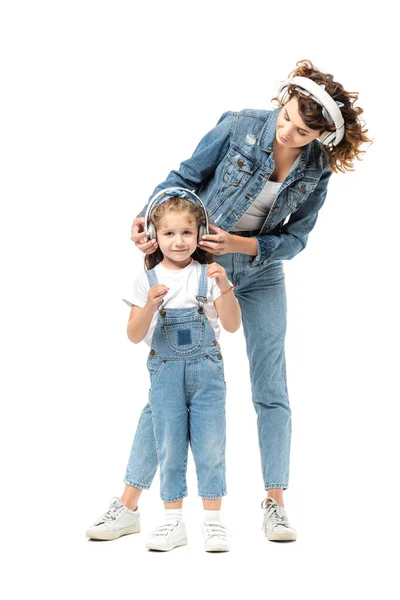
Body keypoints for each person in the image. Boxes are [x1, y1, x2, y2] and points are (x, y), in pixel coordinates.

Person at [87, 59, 370, 544]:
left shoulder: (317, 169)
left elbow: (297, 238)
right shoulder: (238, 125)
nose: (287, 132)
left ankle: (275, 505)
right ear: (283, 100)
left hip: (258, 272)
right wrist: (146, 215)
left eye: (301, 132)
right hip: (192, 264)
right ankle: (129, 505)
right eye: (285, 118)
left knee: (271, 386)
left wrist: (242, 246)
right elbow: (184, 177)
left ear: (319, 137)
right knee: (170, 384)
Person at [87, 191, 241, 552]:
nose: (178, 241)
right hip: (165, 372)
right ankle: (173, 522)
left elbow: (232, 326)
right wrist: (150, 306)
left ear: (200, 232)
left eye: (187, 232)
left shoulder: (209, 274)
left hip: (207, 372)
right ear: (154, 236)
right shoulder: (147, 279)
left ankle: (214, 523)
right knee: (169, 445)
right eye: (169, 234)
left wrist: (225, 287)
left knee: (211, 445)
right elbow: (133, 335)